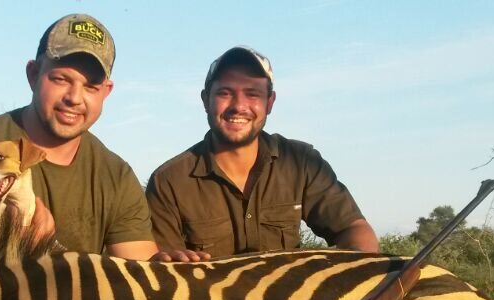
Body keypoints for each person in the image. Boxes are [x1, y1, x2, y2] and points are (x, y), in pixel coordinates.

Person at [0, 14, 161, 259]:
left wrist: (169, 265)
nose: (74, 98)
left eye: (91, 87)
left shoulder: (117, 177)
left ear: (106, 92)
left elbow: (139, 270)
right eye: (60, 79)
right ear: (33, 75)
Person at [146, 46, 379, 260]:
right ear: (206, 100)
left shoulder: (302, 162)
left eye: (252, 94)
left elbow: (355, 230)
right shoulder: (169, 182)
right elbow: (164, 270)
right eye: (225, 93)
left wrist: (350, 273)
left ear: (270, 102)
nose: (239, 105)